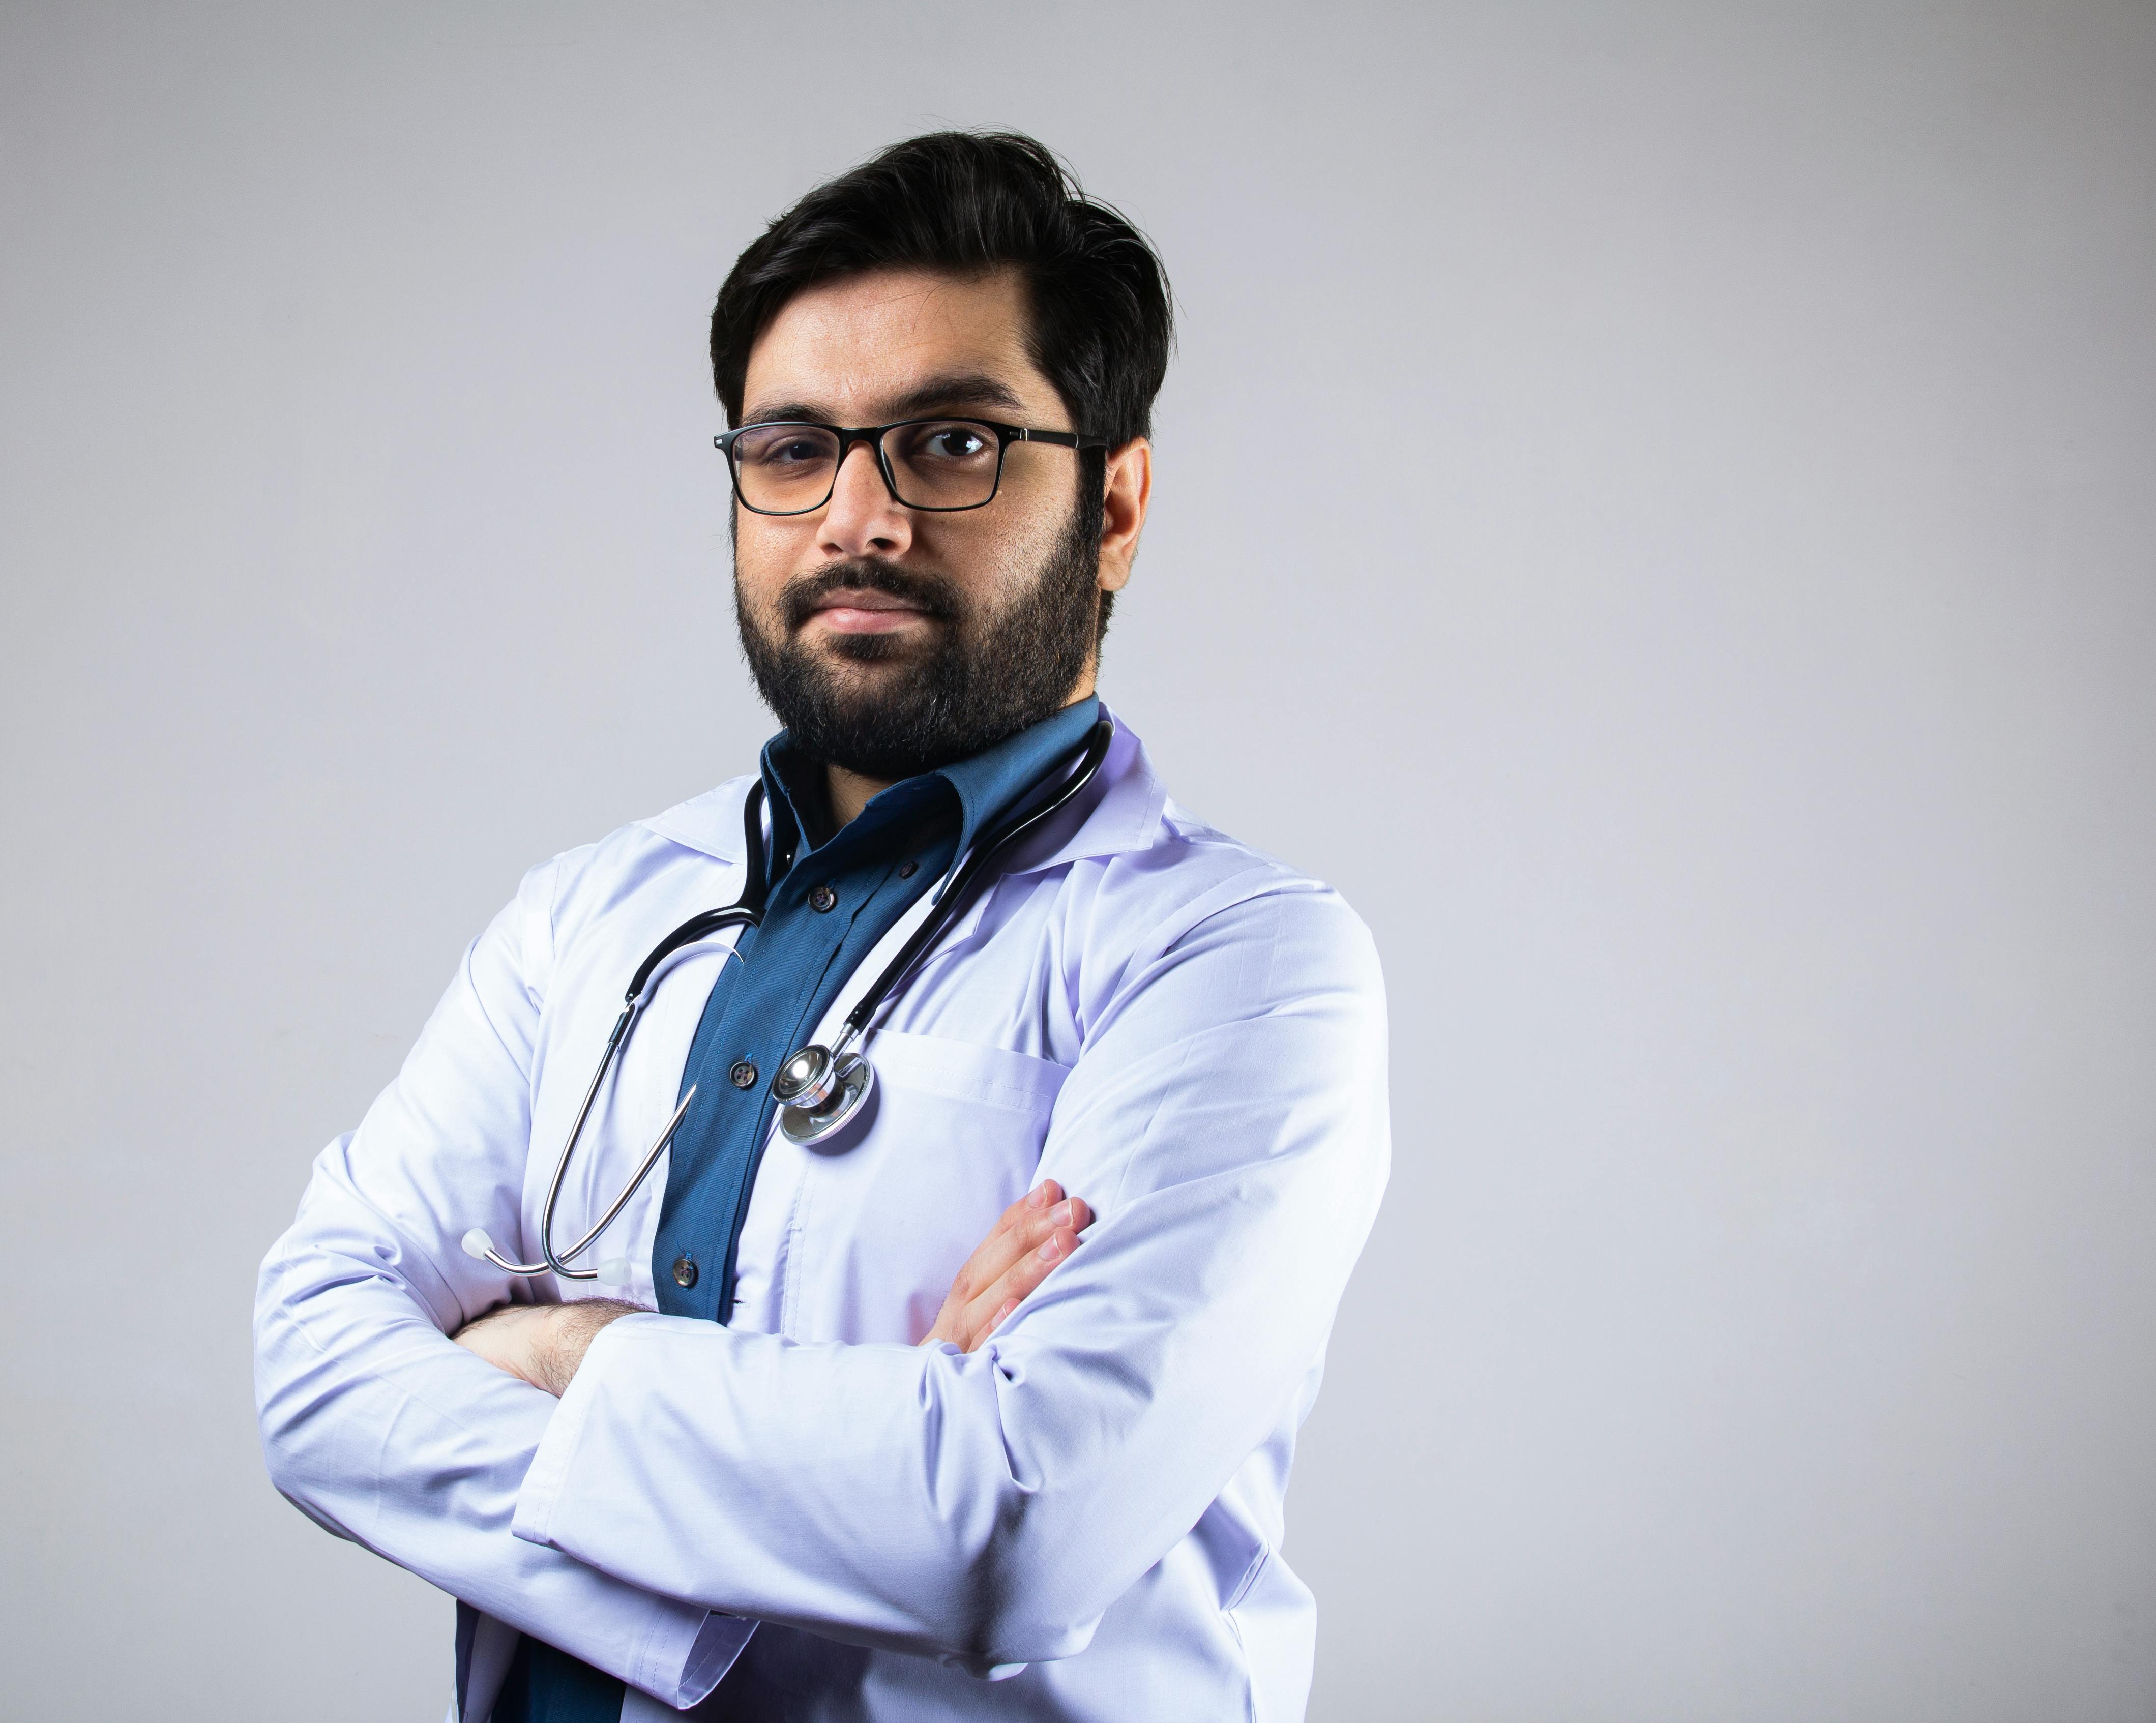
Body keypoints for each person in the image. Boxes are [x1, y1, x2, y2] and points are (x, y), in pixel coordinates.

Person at [254, 130, 1390, 1722]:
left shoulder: (1239, 965)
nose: (857, 516)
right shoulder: (585, 914)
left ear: (1115, 503)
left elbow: (1014, 1535)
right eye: (793, 447)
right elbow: (312, 1382)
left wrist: (555, 1353)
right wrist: (885, 1437)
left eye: (951, 442)